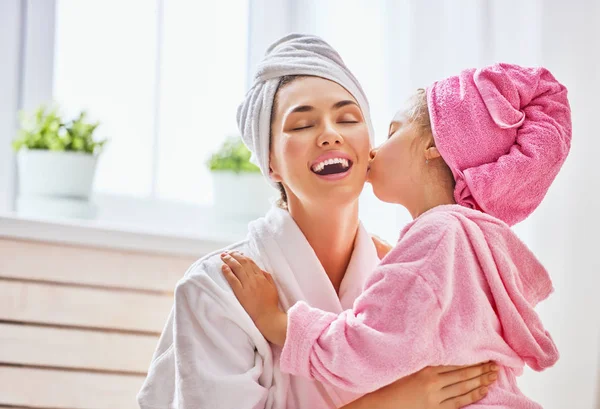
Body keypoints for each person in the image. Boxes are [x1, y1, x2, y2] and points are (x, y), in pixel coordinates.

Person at [137, 33, 497, 409]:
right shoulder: (216, 289)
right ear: (270, 162)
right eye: (302, 125)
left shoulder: (413, 276)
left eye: (348, 118)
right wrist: (394, 402)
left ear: (370, 146)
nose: (330, 134)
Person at [221, 63, 571, 408]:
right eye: (302, 124)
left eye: (392, 132)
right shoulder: (468, 240)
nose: (372, 150)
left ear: (433, 145)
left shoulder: (437, 237)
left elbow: (363, 351)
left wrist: (275, 320)